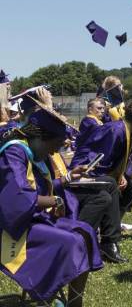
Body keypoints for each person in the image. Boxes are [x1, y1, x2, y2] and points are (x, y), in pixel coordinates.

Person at [0, 106, 103, 306]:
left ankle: (75, 302)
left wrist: (65, 179)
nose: (56, 151)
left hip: (29, 219)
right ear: (41, 137)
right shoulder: (13, 153)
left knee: (86, 232)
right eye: (54, 145)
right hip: (9, 228)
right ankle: (44, 298)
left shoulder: (33, 153)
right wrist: (54, 200)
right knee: (69, 242)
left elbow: (37, 190)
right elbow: (18, 199)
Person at [70, 100, 132, 261]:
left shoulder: (128, 128)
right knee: (110, 185)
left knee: (131, 186)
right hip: (83, 172)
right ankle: (109, 242)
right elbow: (99, 160)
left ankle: (112, 226)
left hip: (101, 170)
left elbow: (116, 158)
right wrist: (113, 176)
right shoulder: (116, 130)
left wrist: (121, 174)